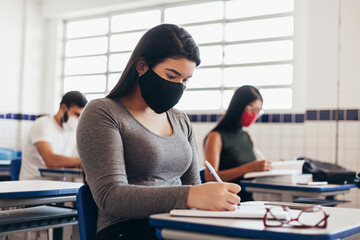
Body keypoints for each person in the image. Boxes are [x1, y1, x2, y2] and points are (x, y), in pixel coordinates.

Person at [76, 24, 241, 240]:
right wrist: (192, 196)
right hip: (127, 230)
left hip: (179, 226)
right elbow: (111, 197)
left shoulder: (180, 119)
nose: (178, 87)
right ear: (142, 66)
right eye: (171, 76)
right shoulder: (103, 113)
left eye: (185, 80)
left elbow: (193, 187)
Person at [203, 85, 272, 202]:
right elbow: (210, 177)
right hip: (226, 201)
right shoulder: (216, 137)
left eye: (258, 111)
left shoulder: (248, 136)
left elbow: (252, 170)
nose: (254, 115)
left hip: (248, 200)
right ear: (238, 107)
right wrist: (248, 168)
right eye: (251, 109)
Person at [19, 91, 87, 180]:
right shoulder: (43, 124)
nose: (78, 119)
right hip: (33, 185)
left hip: (57, 186)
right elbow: (50, 160)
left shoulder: (72, 131)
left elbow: (71, 161)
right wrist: (80, 162)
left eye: (81, 116)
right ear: (63, 108)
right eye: (76, 114)